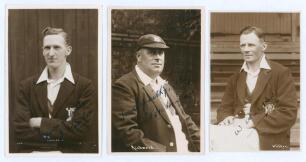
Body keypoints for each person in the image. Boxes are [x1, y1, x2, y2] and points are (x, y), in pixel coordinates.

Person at [13, 27, 97, 153]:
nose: (51, 53)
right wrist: (64, 131)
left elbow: (81, 131)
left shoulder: (84, 86)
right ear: (42, 51)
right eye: (47, 48)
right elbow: (20, 130)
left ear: (68, 50)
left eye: (57, 47)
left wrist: (39, 122)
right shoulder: (26, 86)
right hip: (33, 156)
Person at [112, 34, 200, 152]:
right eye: (152, 52)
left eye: (161, 53)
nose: (158, 57)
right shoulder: (125, 86)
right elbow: (128, 133)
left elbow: (185, 119)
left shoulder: (165, 85)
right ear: (139, 56)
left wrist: (203, 144)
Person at [216, 26, 298, 150]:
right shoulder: (235, 77)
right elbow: (224, 109)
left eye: (251, 45)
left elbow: (288, 113)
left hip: (268, 141)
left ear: (264, 47)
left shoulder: (281, 73)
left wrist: (253, 122)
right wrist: (226, 118)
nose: (246, 49)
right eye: (242, 45)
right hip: (237, 137)